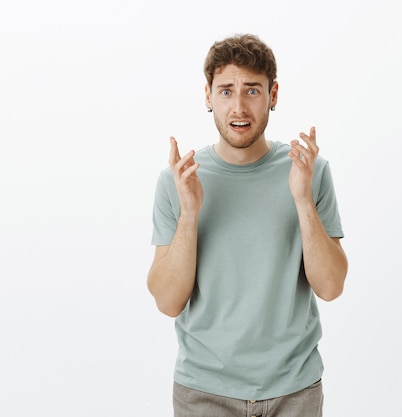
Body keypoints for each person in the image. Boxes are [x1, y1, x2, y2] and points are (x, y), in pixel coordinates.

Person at [147, 34, 348, 417]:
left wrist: (303, 199)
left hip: (295, 389)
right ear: (208, 96)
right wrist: (190, 212)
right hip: (203, 392)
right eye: (225, 91)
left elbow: (331, 286)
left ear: (273, 95)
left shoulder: (311, 171)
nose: (238, 107)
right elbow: (168, 301)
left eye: (252, 90)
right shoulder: (178, 180)